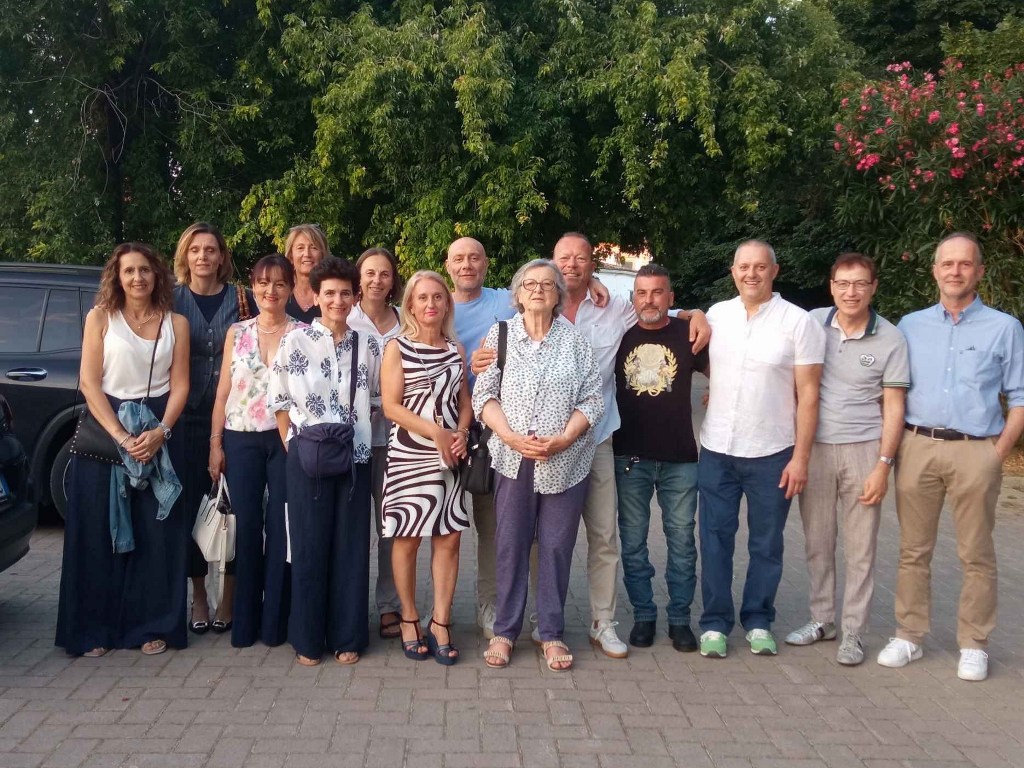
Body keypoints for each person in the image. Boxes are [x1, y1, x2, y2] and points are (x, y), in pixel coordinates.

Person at [444, 236, 609, 639]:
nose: (538, 290)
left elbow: (592, 399)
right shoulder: (500, 335)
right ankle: (505, 631)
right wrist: (510, 437)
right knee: (510, 545)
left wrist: (565, 438)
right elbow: (484, 395)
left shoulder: (575, 341)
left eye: (547, 284)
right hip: (511, 459)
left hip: (564, 462)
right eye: (530, 284)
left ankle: (550, 633)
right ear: (517, 295)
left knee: (555, 547)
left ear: (558, 295)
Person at [877, 232, 1024, 682]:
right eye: (947, 263)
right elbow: (891, 390)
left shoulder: (1004, 328)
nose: (955, 271)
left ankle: (974, 643)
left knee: (976, 553)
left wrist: (996, 454)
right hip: (916, 446)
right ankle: (909, 635)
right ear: (935, 270)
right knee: (912, 550)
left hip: (976, 450)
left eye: (964, 264)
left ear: (979, 271)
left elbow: (1019, 397)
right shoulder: (910, 325)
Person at [56, 242, 190, 657]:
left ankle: (150, 626)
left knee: (155, 535)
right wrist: (121, 437)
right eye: (129, 271)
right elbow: (89, 382)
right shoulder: (100, 318)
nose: (137, 278)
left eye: (144, 270)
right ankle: (92, 630)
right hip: (106, 431)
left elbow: (181, 384)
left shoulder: (176, 323)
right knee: (98, 534)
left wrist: (161, 432)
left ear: (157, 275)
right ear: (117, 276)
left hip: (156, 430)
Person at [697, 239, 825, 658]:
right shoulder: (717, 315)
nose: (751, 274)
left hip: (773, 452)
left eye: (759, 266)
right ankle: (715, 624)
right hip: (717, 449)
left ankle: (757, 620)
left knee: (766, 544)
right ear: (733, 272)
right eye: (743, 267)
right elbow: (685, 329)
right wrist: (690, 312)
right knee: (714, 540)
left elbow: (809, 395)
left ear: (774, 271)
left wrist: (801, 458)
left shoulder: (798, 322)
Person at [786, 253, 909, 665]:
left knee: (861, 549)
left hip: (864, 450)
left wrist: (884, 465)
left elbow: (894, 406)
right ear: (831, 286)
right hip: (814, 449)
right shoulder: (812, 323)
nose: (850, 292)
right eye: (842, 283)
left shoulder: (890, 338)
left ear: (873, 287)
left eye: (859, 284)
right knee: (818, 542)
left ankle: (853, 632)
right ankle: (822, 620)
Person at [269, 256, 380, 666]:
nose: (337, 300)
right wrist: (295, 446)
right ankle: (308, 638)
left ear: (355, 297)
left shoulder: (370, 344)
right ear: (315, 296)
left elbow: (379, 399)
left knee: (351, 547)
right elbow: (279, 400)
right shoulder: (293, 341)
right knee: (308, 546)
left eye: (345, 293)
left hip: (355, 456)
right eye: (329, 293)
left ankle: (348, 636)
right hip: (305, 458)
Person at [208, 254, 304, 648]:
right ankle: (244, 622)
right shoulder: (238, 332)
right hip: (241, 437)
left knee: (281, 527)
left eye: (280, 283)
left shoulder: (304, 334)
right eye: (263, 283)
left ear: (291, 288)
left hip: (286, 441)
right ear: (253, 286)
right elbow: (223, 392)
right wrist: (215, 443)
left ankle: (275, 622)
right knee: (246, 529)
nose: (271, 290)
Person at [613, 264, 708, 653]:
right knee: (633, 543)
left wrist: (719, 389)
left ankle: (680, 620)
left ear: (671, 297)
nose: (649, 300)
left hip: (680, 459)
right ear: (633, 298)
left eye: (657, 292)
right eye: (642, 293)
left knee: (682, 542)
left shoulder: (689, 335)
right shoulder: (619, 336)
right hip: (629, 457)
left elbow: (729, 371)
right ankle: (644, 616)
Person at [381, 271, 472, 665]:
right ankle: (409, 618)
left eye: (438, 297)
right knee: (408, 537)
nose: (431, 304)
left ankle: (440, 622)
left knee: (449, 537)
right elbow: (391, 406)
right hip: (410, 454)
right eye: (422, 298)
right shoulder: (397, 347)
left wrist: (462, 432)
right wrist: (436, 432)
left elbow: (465, 400)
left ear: (447, 304)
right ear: (411, 305)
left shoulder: (455, 348)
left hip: (450, 455)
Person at [172, 222, 251, 636]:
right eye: (195, 249)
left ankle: (230, 598)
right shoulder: (170, 299)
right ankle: (199, 595)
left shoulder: (242, 299)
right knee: (191, 510)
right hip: (184, 418)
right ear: (185, 256)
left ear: (222, 257)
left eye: (210, 249)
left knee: (234, 509)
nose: (203, 256)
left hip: (234, 419)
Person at [347, 247, 405, 640]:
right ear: (359, 277)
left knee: (391, 525)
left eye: (384, 274)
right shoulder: (344, 317)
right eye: (369, 273)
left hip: (397, 439)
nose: (377, 280)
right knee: (352, 526)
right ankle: (350, 605)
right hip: (352, 439)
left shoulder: (406, 320)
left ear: (393, 280)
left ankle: (390, 605)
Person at [283, 224, 329, 323]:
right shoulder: (281, 294)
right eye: (300, 248)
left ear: (322, 255)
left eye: (314, 248)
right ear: (291, 256)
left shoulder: (332, 294)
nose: (307, 254)